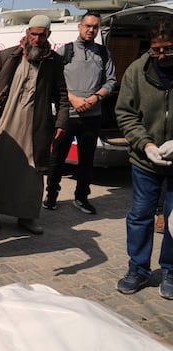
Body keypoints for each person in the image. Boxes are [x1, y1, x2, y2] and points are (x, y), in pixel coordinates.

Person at [0, 15, 68, 235]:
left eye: (41, 34)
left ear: (48, 36)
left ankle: (27, 216)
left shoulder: (53, 61)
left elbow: (62, 95)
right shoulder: (8, 55)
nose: (36, 38)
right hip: (5, 122)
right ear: (27, 33)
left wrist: (61, 122)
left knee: (31, 173)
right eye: (33, 33)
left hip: (35, 125)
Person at [115, 19, 173, 300]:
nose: (161, 56)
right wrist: (145, 143)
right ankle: (138, 269)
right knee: (140, 216)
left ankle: (171, 270)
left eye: (168, 50)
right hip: (145, 162)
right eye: (156, 50)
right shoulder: (137, 70)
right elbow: (125, 112)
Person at [44, 11, 117, 215]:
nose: (91, 30)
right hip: (67, 116)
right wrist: (72, 99)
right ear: (79, 26)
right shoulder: (65, 51)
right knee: (57, 158)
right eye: (87, 26)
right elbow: (52, 82)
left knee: (86, 160)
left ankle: (82, 198)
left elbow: (111, 81)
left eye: (95, 27)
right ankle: (51, 196)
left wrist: (95, 98)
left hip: (92, 117)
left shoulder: (103, 53)